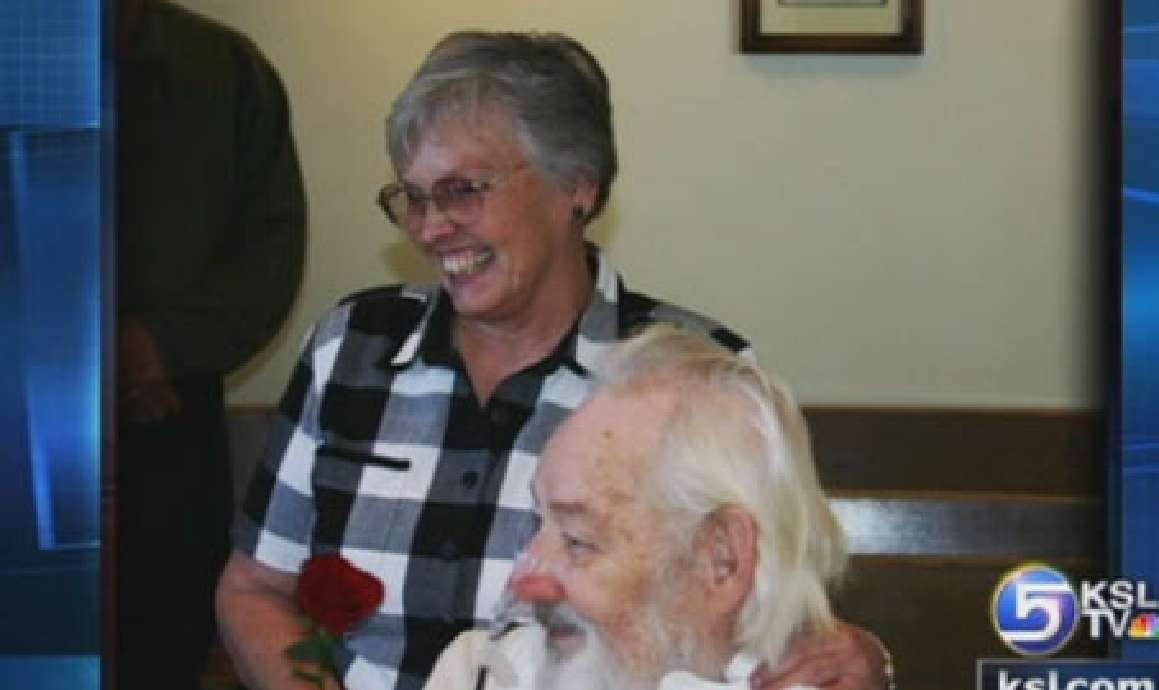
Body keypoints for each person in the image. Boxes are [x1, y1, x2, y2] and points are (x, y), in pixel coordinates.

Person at [217, 31, 887, 690]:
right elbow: (253, 590)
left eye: (463, 191)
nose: (428, 227)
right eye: (414, 197)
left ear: (579, 186)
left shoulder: (695, 378)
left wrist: (861, 657)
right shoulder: (350, 349)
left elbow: (779, 628)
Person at [423, 325, 854, 690]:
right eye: (540, 524)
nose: (526, 581)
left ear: (721, 559)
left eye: (578, 541)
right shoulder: (480, 673)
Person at [116, 0, 306, 688]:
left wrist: (159, 347)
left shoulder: (226, 72)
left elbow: (271, 254)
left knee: (167, 642)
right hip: (23, 431)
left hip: (170, 427)